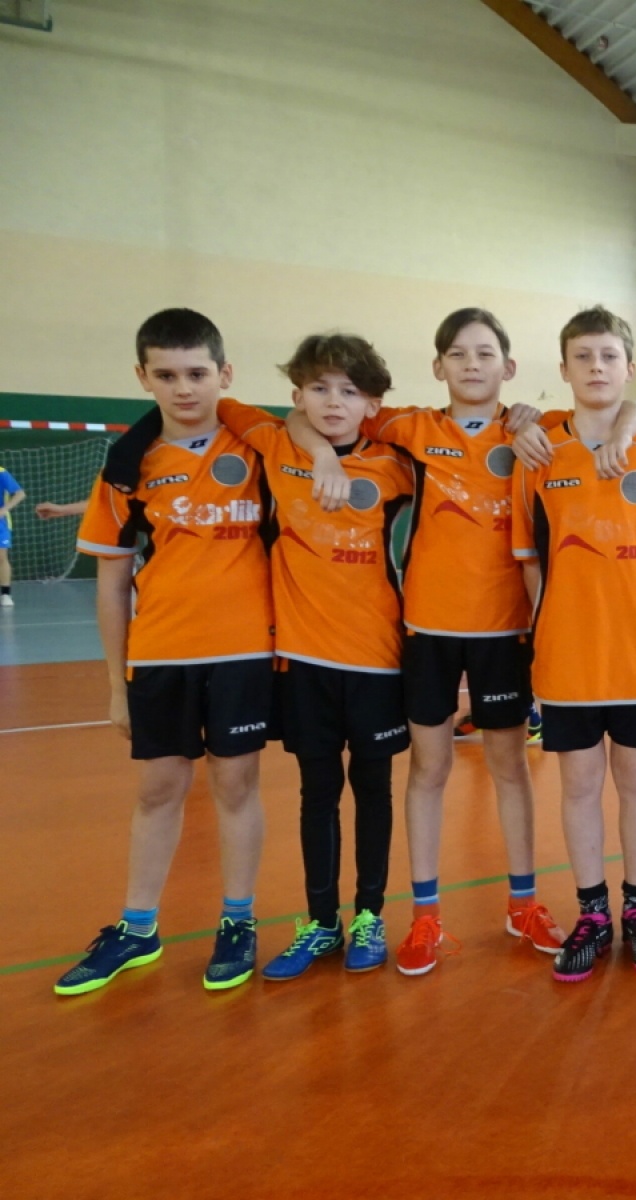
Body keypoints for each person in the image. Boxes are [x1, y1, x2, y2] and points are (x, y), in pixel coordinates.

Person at [289, 308, 563, 974]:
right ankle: (425, 917)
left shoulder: (539, 430)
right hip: (428, 631)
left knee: (509, 768)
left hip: (505, 631)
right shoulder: (409, 429)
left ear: (509, 366)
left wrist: (531, 419)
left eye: (485, 353)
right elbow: (301, 416)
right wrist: (321, 453)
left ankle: (523, 903)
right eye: (458, 354)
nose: (472, 364)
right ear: (438, 366)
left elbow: (630, 411)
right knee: (429, 771)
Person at [55, 308, 273, 994]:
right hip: (160, 652)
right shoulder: (129, 468)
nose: (184, 388)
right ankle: (137, 927)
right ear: (142, 377)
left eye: (197, 373)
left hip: (243, 651)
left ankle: (237, 921)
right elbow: (112, 582)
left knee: (235, 785)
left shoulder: (261, 452)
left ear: (225, 374)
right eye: (167, 375)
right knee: (158, 789)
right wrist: (116, 684)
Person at [511, 306, 636, 981]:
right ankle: (592, 913)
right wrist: (550, 632)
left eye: (608, 356)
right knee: (580, 786)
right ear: (563, 369)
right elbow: (530, 564)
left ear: (630, 367)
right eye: (583, 357)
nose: (597, 367)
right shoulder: (536, 457)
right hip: (567, 658)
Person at [219, 334, 414, 979]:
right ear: (298, 395)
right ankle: (321, 922)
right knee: (317, 792)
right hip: (303, 661)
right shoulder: (278, 446)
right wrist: (318, 449)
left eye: (350, 391)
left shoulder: (397, 465)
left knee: (373, 791)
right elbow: (222, 405)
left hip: (378, 660)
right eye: (319, 389)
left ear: (372, 404)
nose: (334, 401)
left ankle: (369, 916)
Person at [0, 463, 24, 605]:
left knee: (1, 557)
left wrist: (4, 510)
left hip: (1, 524)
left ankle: (5, 594)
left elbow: (20, 494)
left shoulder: (2, 472)